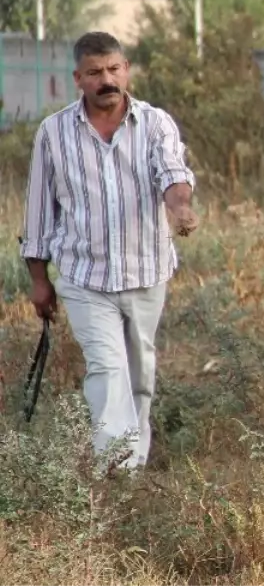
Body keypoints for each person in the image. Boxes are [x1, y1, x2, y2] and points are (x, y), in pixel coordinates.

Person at [19, 30, 199, 474]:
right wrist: (40, 282)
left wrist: (180, 207)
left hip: (145, 270)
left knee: (139, 375)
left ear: (127, 70)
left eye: (115, 69)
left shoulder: (156, 124)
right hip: (85, 277)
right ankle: (113, 469)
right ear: (78, 78)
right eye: (96, 72)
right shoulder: (54, 133)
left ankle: (131, 468)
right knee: (106, 368)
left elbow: (173, 173)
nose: (107, 80)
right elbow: (40, 212)